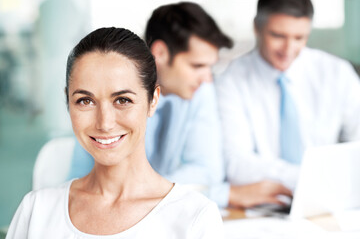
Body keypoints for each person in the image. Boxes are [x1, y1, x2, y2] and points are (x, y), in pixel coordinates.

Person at [68, 2, 291, 209]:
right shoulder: (108, 96)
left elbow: (206, 171)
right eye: (197, 65)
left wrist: (158, 193)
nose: (207, 78)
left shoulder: (197, 91)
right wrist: (224, 194)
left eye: (209, 67)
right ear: (161, 53)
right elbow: (99, 184)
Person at [6, 27, 224, 238]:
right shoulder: (36, 211)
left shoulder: (195, 218)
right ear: (67, 101)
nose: (105, 123)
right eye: (85, 101)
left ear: (153, 100)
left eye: (122, 100)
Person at [215, 0, 360, 200]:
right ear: (257, 27)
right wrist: (309, 178)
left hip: (332, 198)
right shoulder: (230, 81)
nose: (288, 49)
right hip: (263, 203)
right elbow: (236, 163)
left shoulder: (337, 73)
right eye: (277, 36)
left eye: (299, 37)